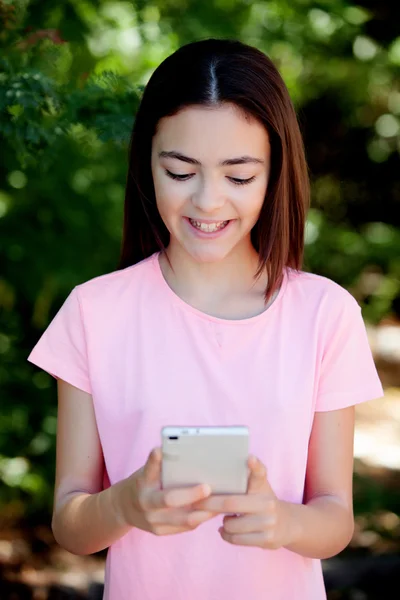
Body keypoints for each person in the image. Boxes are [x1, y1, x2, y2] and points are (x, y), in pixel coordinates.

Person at [27, 38, 384, 600]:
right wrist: (123, 504)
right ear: (147, 163)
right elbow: (71, 525)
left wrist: (283, 521)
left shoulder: (326, 315)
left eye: (239, 177)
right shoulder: (94, 313)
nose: (207, 201)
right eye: (179, 170)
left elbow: (336, 519)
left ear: (275, 174)